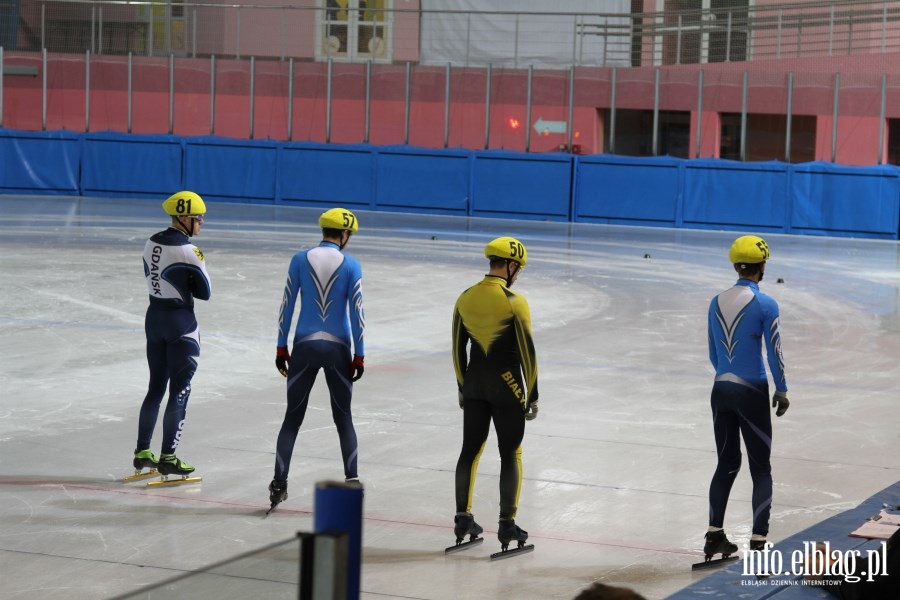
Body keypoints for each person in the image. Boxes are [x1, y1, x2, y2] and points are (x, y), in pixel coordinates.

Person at [268, 208, 366, 509]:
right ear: (345, 235)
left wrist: (281, 346)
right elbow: (357, 313)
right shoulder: (351, 265)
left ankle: (279, 484)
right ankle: (351, 481)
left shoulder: (300, 260)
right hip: (338, 348)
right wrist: (359, 354)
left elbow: (287, 304)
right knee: (343, 418)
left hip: (305, 345)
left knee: (292, 418)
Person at [703, 234, 789, 559]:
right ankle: (758, 540)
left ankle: (714, 537)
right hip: (752, 391)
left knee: (726, 462)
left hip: (720, 388)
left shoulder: (716, 301)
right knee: (761, 468)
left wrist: (727, 378)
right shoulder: (766, 305)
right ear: (762, 266)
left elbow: (714, 352)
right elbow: (775, 352)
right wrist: (781, 390)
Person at [451, 236, 539, 550]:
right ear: (512, 265)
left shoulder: (465, 297)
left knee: (470, 451)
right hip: (508, 386)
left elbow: (457, 348)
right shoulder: (515, 301)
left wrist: (463, 387)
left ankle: (463, 517)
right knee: (510, 454)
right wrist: (533, 393)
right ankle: (507, 525)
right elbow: (528, 352)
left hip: (474, 384)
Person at [133, 190, 211, 478]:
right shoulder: (190, 252)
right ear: (184, 217)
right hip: (182, 324)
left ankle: (142, 452)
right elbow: (205, 292)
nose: (202, 222)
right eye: (198, 218)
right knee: (180, 390)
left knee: (155, 388)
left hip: (154, 319)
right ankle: (168, 457)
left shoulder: (151, 241)